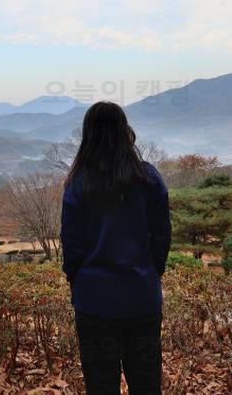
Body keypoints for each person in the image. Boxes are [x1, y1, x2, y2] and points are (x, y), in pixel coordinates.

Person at [60, 101, 172, 394]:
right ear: (125, 131)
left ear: (89, 135)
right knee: (147, 385)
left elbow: (72, 246)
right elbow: (162, 237)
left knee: (100, 386)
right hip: (141, 297)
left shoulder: (79, 183)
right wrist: (151, 272)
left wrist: (77, 280)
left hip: (94, 301)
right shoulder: (148, 178)